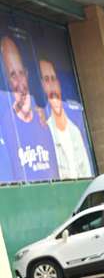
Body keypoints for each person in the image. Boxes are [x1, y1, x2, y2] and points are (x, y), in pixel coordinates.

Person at [0, 35, 59, 181]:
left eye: (21, 73)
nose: (20, 84)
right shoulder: (5, 127)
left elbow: (55, 173)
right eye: (13, 75)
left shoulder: (42, 122)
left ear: (27, 74)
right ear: (5, 82)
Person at [39, 58, 92, 179]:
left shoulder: (75, 131)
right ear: (41, 86)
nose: (52, 86)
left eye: (53, 79)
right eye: (46, 80)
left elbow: (88, 174)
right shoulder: (46, 132)